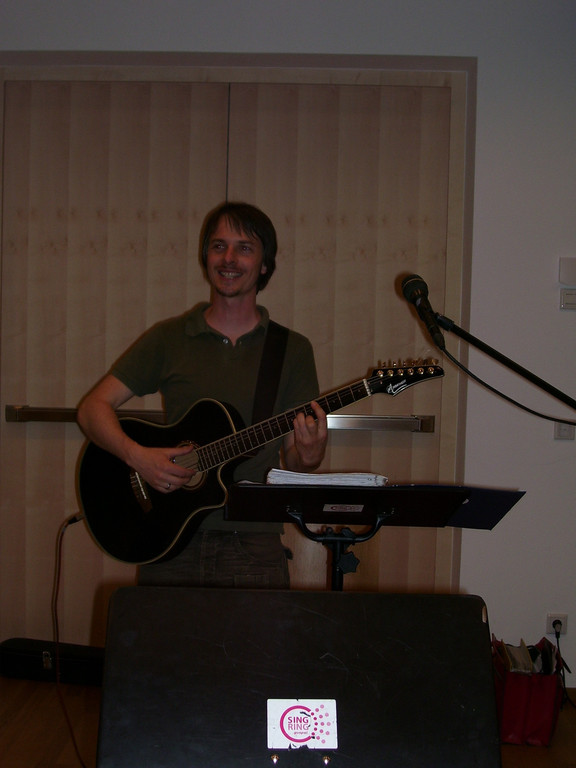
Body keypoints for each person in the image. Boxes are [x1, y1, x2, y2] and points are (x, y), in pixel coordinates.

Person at [77, 201, 328, 588]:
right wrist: (138, 457)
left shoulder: (291, 350)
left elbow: (294, 459)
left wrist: (309, 456)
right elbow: (92, 409)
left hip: (253, 543)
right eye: (219, 246)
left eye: (244, 248)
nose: (229, 259)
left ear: (264, 265)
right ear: (206, 256)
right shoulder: (169, 338)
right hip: (167, 539)